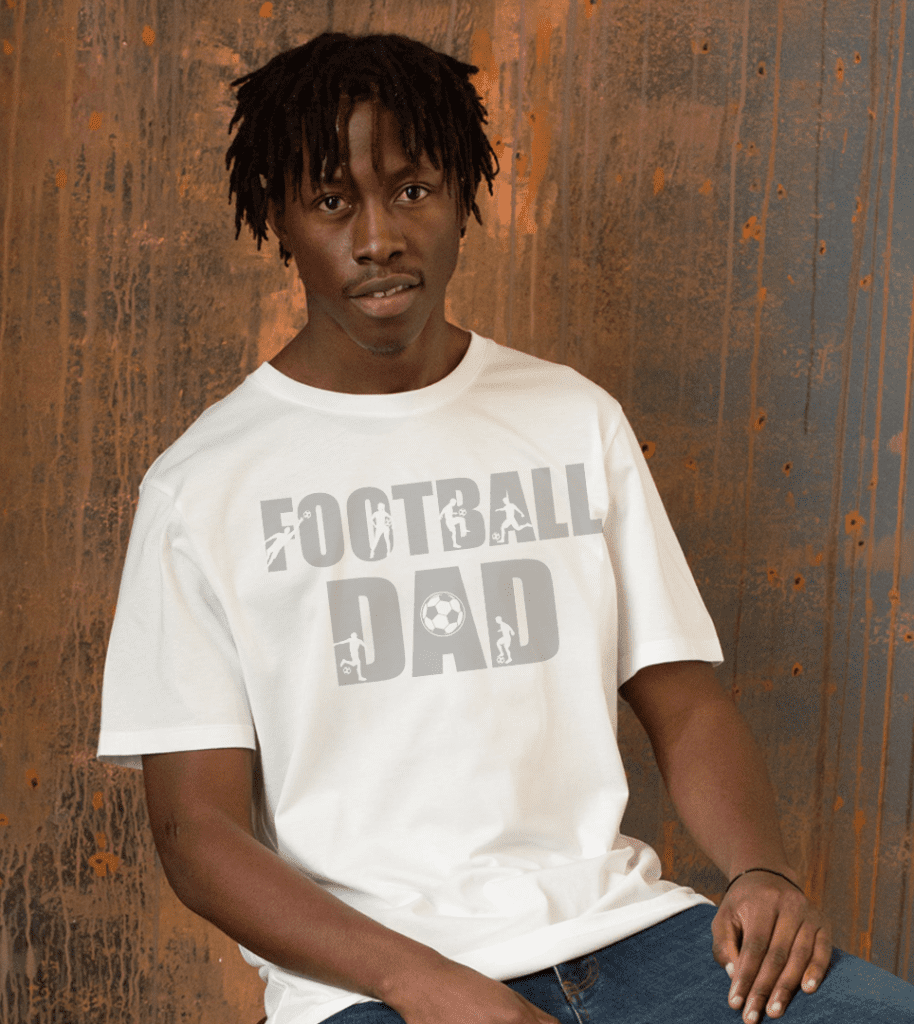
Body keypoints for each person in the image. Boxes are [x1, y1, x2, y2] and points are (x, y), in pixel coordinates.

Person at [96, 31, 914, 1024]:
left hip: (630, 937)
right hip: (370, 982)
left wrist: (761, 871)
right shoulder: (201, 487)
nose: (378, 238)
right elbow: (196, 833)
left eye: (411, 190)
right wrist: (419, 981)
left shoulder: (571, 419)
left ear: (463, 195)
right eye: (332, 201)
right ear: (279, 217)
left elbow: (685, 703)